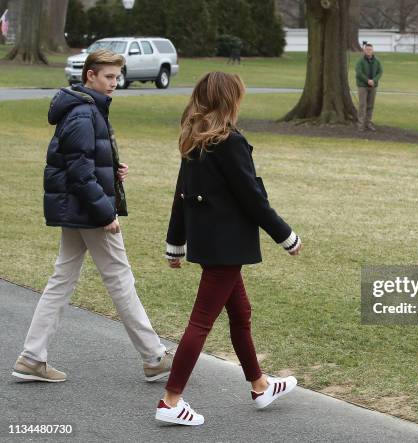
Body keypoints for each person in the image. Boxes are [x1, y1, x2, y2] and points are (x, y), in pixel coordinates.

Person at [12, 50, 173, 383]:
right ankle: (154, 356)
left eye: (117, 77)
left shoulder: (84, 109)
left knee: (62, 279)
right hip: (89, 211)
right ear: (90, 76)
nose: (115, 83)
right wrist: (105, 213)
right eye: (109, 77)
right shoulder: (83, 113)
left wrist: (113, 171)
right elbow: (80, 172)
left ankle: (31, 357)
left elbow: (86, 163)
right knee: (120, 279)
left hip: (79, 209)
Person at [155, 72, 303, 426]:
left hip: (212, 243)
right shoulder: (228, 141)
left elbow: (181, 195)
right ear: (230, 99)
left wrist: (175, 243)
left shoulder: (196, 137)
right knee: (201, 321)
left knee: (241, 313)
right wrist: (286, 236)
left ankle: (260, 385)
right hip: (226, 245)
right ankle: (170, 401)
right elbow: (251, 196)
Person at [355, 43, 383, 132]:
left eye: (370, 49)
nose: (368, 51)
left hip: (373, 86)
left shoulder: (377, 61)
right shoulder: (360, 61)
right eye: (367, 49)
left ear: (372, 50)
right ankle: (360, 125)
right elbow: (359, 73)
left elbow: (380, 72)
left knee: (370, 106)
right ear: (364, 50)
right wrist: (367, 81)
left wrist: (374, 80)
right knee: (362, 105)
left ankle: (368, 123)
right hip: (362, 86)